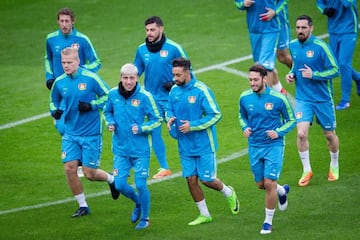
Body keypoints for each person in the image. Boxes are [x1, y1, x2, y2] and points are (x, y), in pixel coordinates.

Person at [166, 57, 240, 226]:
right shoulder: (174, 91)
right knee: (191, 180)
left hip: (204, 145)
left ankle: (228, 192)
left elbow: (215, 114)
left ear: (188, 72)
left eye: (178, 75)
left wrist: (193, 126)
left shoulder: (201, 90)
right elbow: (169, 109)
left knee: (207, 180)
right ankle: (205, 214)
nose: (175, 79)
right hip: (184, 145)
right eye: (173, 75)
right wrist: (169, 118)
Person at [49, 47, 118, 217]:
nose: (66, 66)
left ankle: (112, 180)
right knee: (69, 168)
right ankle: (83, 206)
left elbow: (109, 96)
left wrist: (92, 105)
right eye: (63, 63)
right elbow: (53, 101)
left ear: (78, 61)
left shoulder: (91, 78)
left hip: (91, 133)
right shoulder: (60, 82)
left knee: (89, 174)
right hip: (71, 133)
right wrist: (55, 111)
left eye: (69, 62)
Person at [239, 64, 296, 234]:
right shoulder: (244, 98)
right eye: (250, 80)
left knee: (269, 182)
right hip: (255, 145)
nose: (252, 83)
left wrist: (278, 132)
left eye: (256, 79)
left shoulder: (279, 99)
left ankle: (267, 222)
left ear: (265, 79)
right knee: (261, 184)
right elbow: (241, 116)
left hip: (273, 145)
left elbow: (292, 120)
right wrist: (245, 128)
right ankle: (281, 190)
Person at [104, 63, 162, 230]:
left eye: (131, 78)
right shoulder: (113, 94)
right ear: (120, 78)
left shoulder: (145, 96)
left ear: (137, 78)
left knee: (141, 184)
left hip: (140, 151)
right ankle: (138, 203)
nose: (128, 82)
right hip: (120, 150)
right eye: (125, 78)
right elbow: (107, 112)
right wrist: (110, 122)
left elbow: (157, 119)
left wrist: (142, 127)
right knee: (120, 185)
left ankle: (145, 218)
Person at [285, 15, 340, 187]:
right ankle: (307, 169)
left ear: (311, 28)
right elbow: (296, 64)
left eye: (303, 27)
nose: (300, 31)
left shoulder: (321, 47)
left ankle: (334, 163)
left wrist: (315, 75)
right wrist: (292, 74)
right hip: (303, 98)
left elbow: (336, 70)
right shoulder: (293, 45)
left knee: (329, 135)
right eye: (298, 27)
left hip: (322, 99)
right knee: (301, 133)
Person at [134, 16, 189, 179]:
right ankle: (164, 167)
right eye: (147, 30)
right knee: (154, 130)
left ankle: (191, 160)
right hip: (151, 99)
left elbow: (188, 70)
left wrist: (174, 84)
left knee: (178, 131)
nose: (149, 33)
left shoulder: (173, 48)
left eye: (152, 30)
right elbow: (136, 70)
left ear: (161, 29)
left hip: (171, 99)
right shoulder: (141, 49)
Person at [45, 7, 102, 135]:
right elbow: (47, 58)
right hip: (61, 89)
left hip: (79, 89)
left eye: (67, 21)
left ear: (73, 21)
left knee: (74, 130)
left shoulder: (82, 39)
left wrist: (82, 70)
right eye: (62, 21)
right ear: (58, 21)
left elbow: (97, 62)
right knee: (62, 128)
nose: (64, 24)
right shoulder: (51, 39)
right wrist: (49, 76)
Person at [234, 0, 288, 94]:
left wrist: (274, 11)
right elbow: (238, 3)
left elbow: (283, 1)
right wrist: (243, 4)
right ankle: (280, 91)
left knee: (266, 66)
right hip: (254, 30)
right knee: (259, 64)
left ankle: (268, 100)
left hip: (271, 29)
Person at [317, 0, 360, 110]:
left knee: (344, 63)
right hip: (333, 29)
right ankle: (358, 78)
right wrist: (324, 10)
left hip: (349, 29)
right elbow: (320, 2)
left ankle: (345, 100)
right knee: (335, 64)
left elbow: (348, 3)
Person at [276, 0, 292, 69]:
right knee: (280, 57)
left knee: (284, 55)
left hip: (280, 21)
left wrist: (274, 12)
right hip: (268, 24)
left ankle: (303, 75)